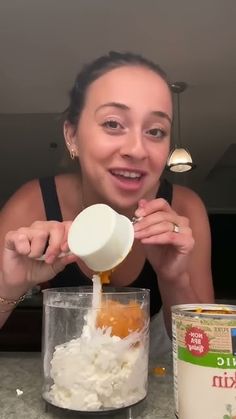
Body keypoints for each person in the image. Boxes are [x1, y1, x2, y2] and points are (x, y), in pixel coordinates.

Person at [0, 51, 214, 353]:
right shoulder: (33, 204)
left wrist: (174, 277)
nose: (137, 150)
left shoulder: (185, 210)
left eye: (155, 131)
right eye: (113, 124)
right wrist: (9, 285)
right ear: (72, 135)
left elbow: (207, 351)